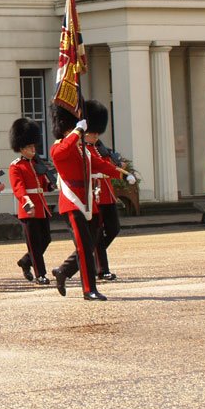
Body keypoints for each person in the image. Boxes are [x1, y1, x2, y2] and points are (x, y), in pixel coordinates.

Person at [49, 105, 133, 301]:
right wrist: (77, 131)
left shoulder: (82, 149)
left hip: (88, 200)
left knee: (92, 242)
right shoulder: (59, 146)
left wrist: (122, 173)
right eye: (73, 127)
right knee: (84, 246)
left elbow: (99, 164)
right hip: (72, 201)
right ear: (65, 129)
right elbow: (61, 153)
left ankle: (64, 271)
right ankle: (89, 289)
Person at [8, 117, 52, 286]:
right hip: (28, 208)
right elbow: (18, 188)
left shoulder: (37, 164)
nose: (33, 149)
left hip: (41, 207)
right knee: (34, 244)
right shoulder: (16, 166)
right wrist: (27, 202)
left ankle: (26, 261)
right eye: (30, 147)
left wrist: (49, 183)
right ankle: (40, 274)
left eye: (34, 146)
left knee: (46, 239)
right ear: (21, 148)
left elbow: (42, 185)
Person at [85, 100, 123, 282]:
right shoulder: (83, 149)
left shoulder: (101, 148)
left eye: (96, 132)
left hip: (107, 194)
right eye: (92, 132)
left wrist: (118, 165)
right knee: (98, 233)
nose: (95, 135)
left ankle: (91, 255)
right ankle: (102, 269)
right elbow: (97, 166)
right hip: (95, 193)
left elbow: (108, 163)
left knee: (113, 229)